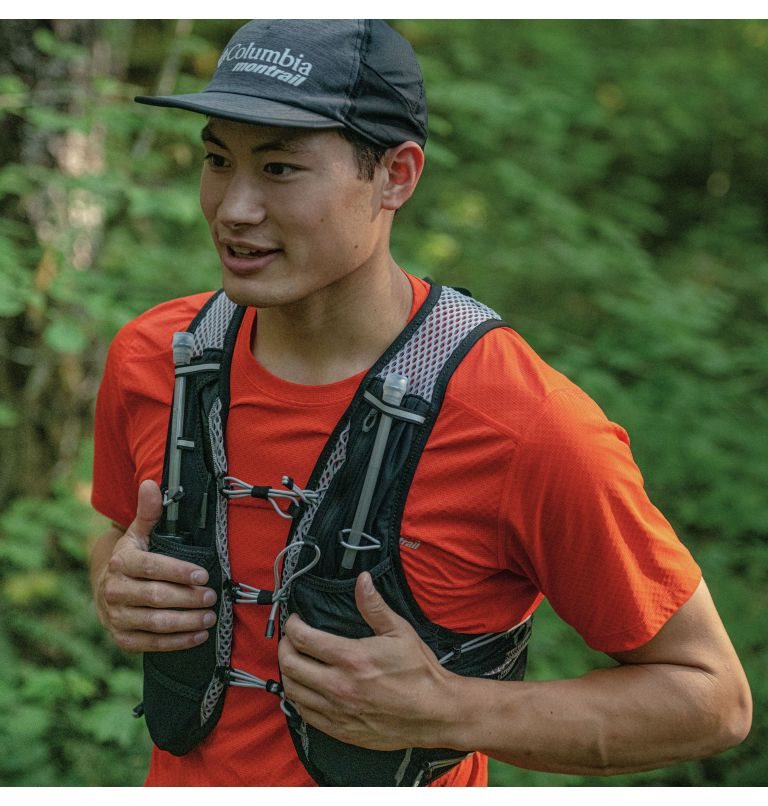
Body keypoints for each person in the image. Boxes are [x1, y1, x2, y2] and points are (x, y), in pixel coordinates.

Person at [89, 19, 751, 787]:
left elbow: (712, 699)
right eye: (216, 159)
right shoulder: (155, 356)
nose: (233, 208)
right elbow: (113, 537)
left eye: (278, 168)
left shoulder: (525, 423)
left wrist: (448, 710)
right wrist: (116, 585)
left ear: (396, 177)